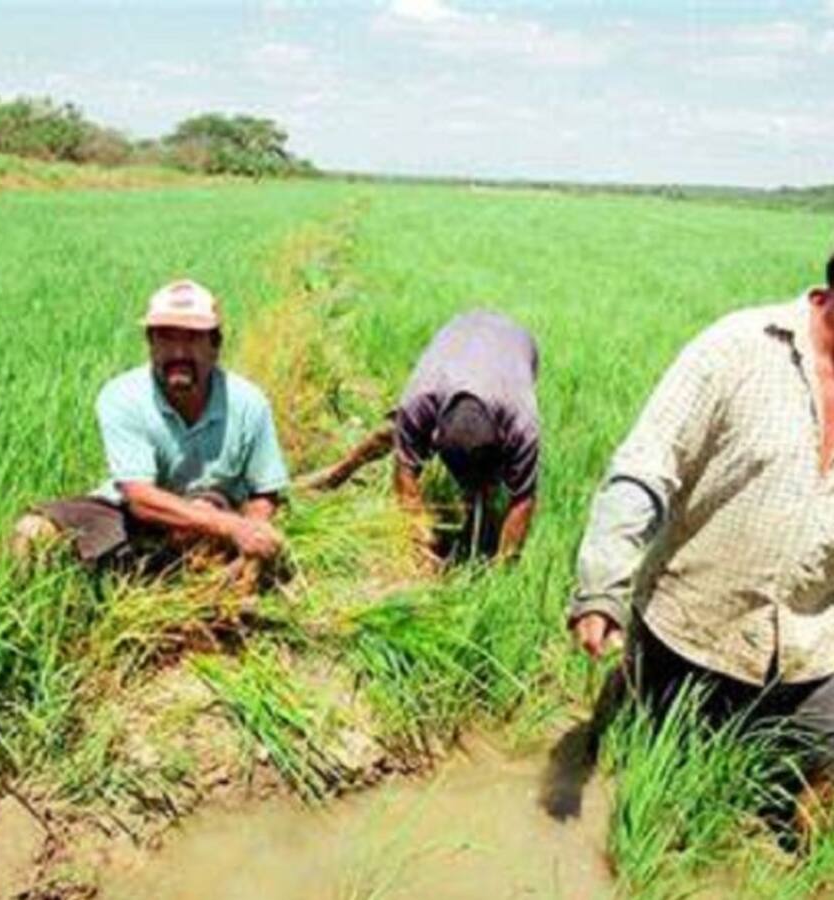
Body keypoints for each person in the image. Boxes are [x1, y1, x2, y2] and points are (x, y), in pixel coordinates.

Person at [568, 256, 834, 834]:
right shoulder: (739, 348)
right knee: (653, 806)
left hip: (812, 654)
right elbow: (646, 466)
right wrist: (602, 588)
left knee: (806, 818)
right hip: (689, 635)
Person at [12, 279, 289, 589]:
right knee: (32, 532)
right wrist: (231, 527)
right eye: (166, 339)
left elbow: (265, 491)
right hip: (138, 516)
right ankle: (39, 624)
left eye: (193, 339)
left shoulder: (248, 402)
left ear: (215, 347)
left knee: (222, 534)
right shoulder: (123, 396)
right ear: (150, 344)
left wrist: (252, 530)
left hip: (215, 513)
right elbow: (139, 498)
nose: (178, 352)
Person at [303, 309, 539, 564]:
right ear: (434, 434)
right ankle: (336, 474)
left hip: (513, 342)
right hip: (458, 336)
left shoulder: (522, 424)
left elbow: (523, 499)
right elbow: (404, 470)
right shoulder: (420, 399)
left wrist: (503, 565)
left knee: (486, 489)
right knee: (395, 430)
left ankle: (479, 509)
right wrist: (419, 532)